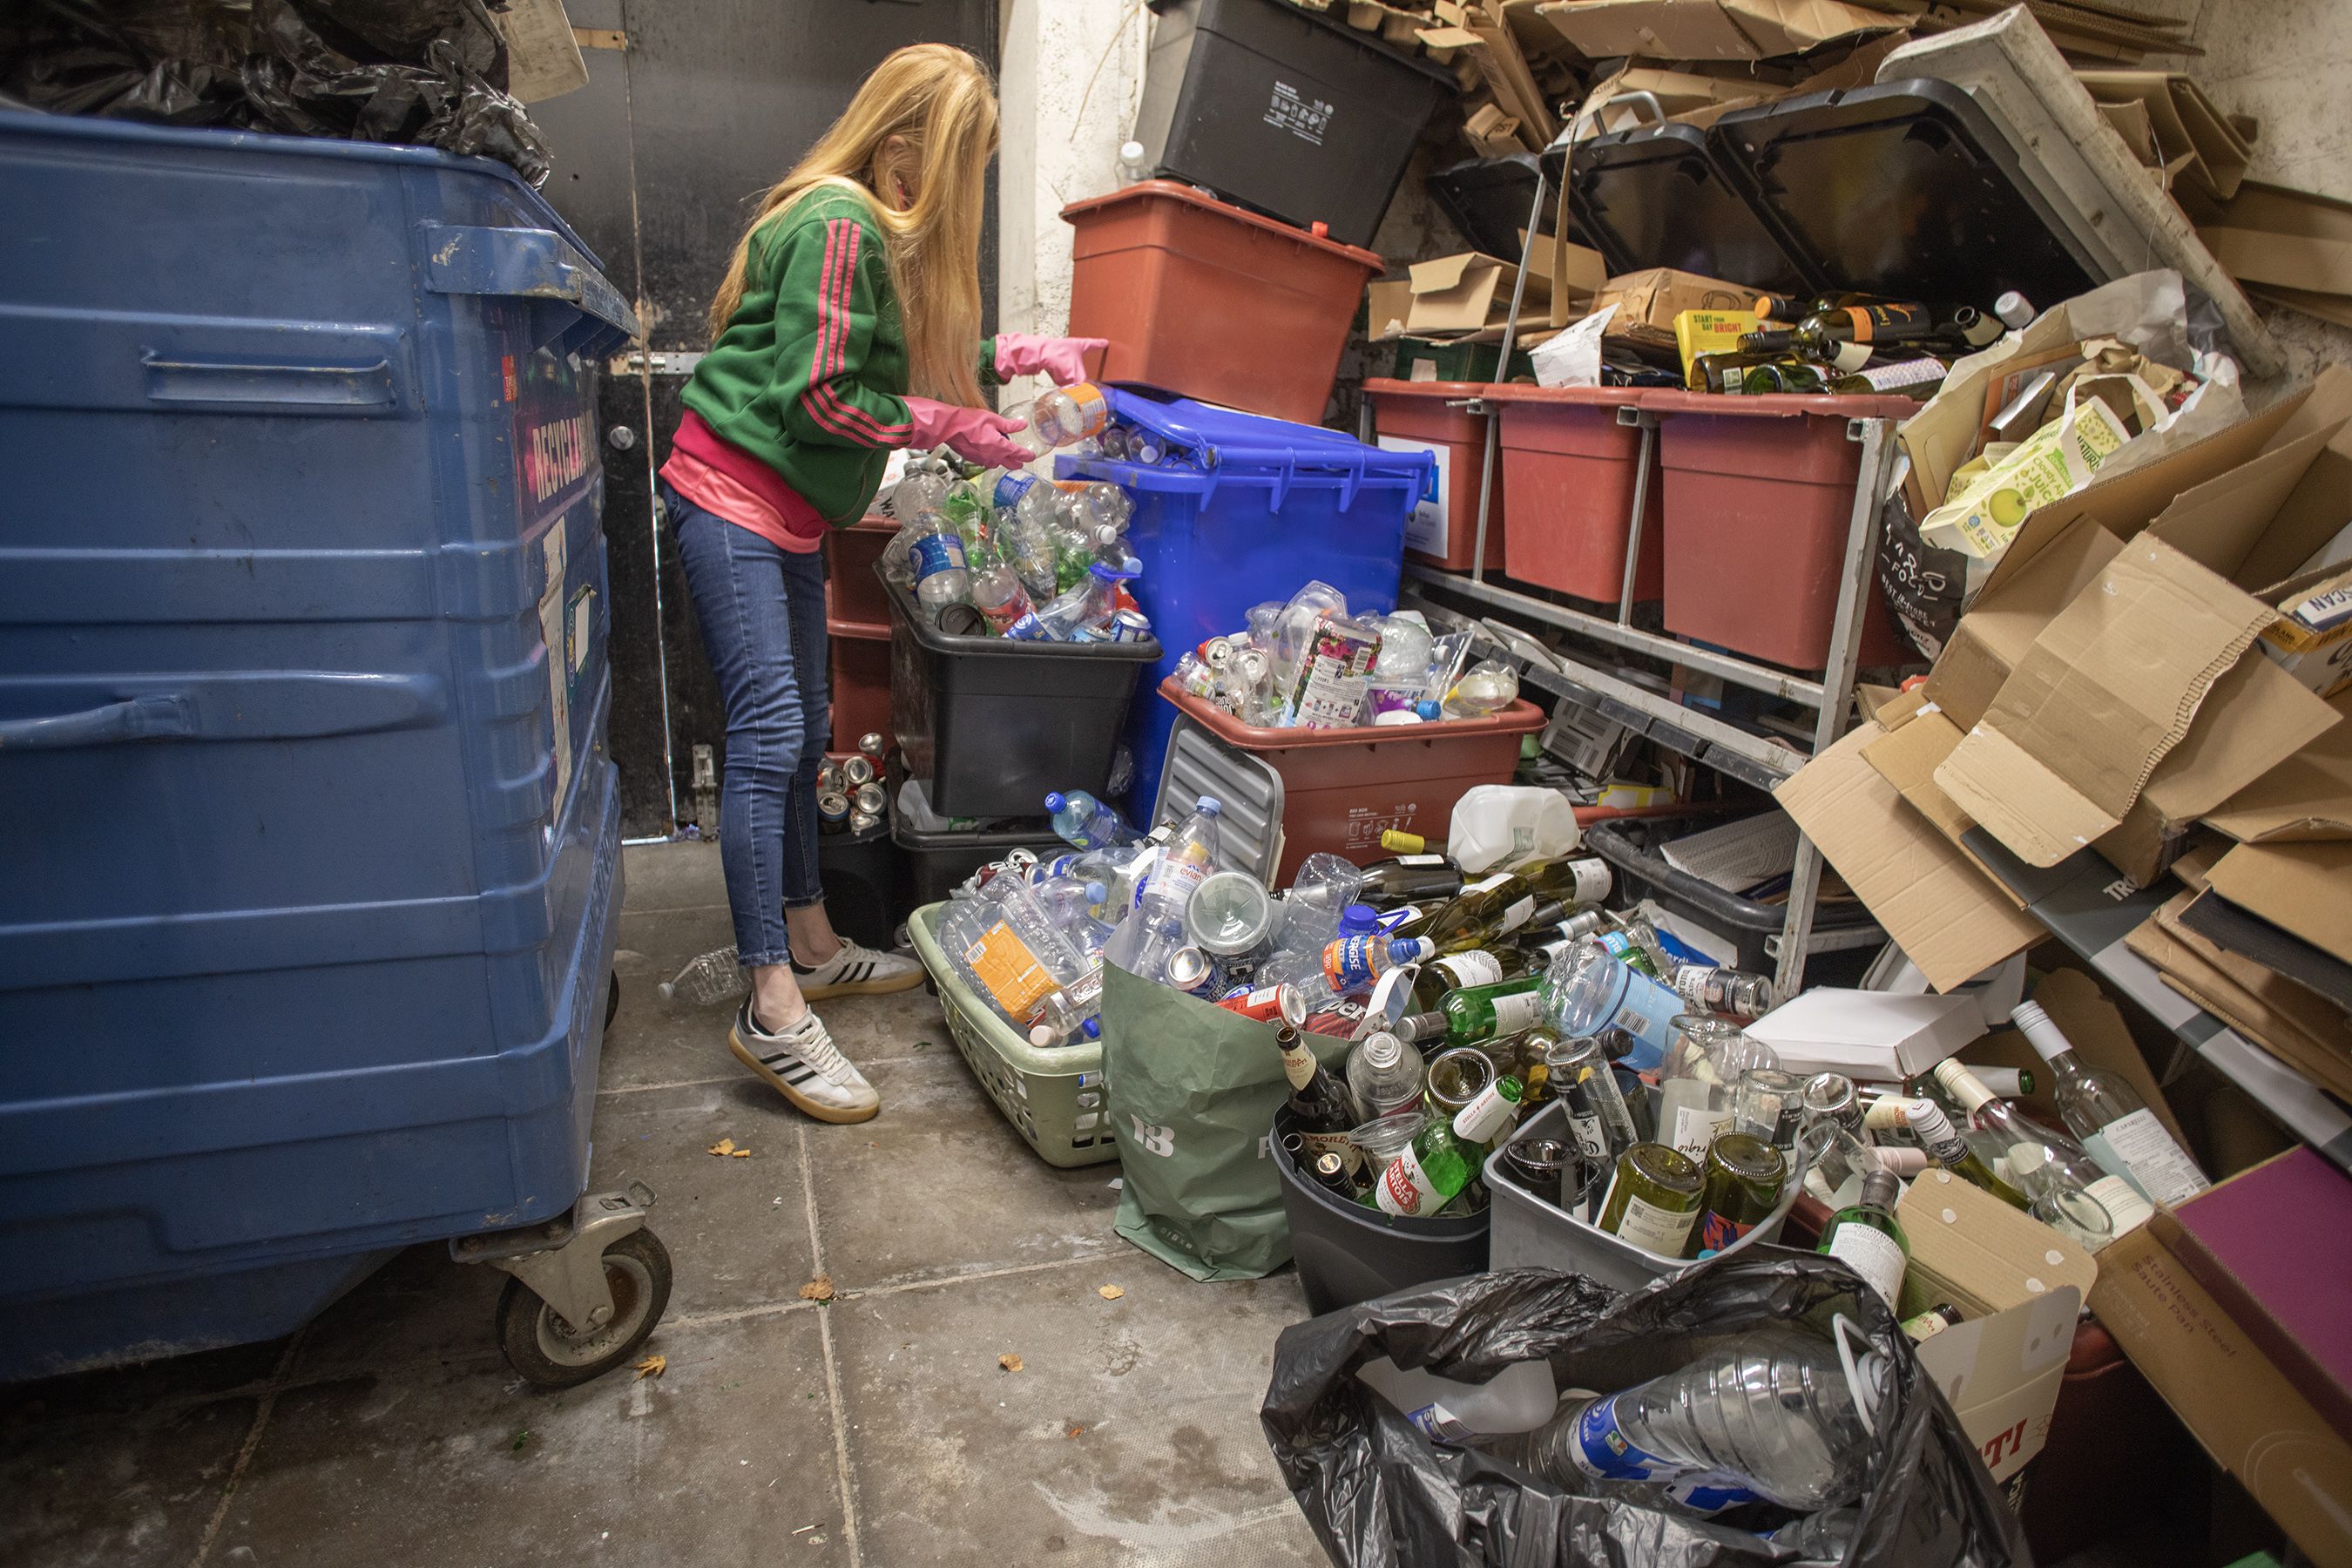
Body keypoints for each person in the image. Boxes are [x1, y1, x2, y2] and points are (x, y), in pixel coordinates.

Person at [658, 44, 1103, 1125]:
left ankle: (811, 944)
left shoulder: (851, 227)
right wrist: (956, 426)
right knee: (771, 735)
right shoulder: (840, 221)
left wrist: (1013, 354)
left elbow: (880, 360)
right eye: (963, 158)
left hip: (783, 514)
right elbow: (822, 399)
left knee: (803, 728)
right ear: (906, 143)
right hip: (733, 500)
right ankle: (772, 1005)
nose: (965, 185)